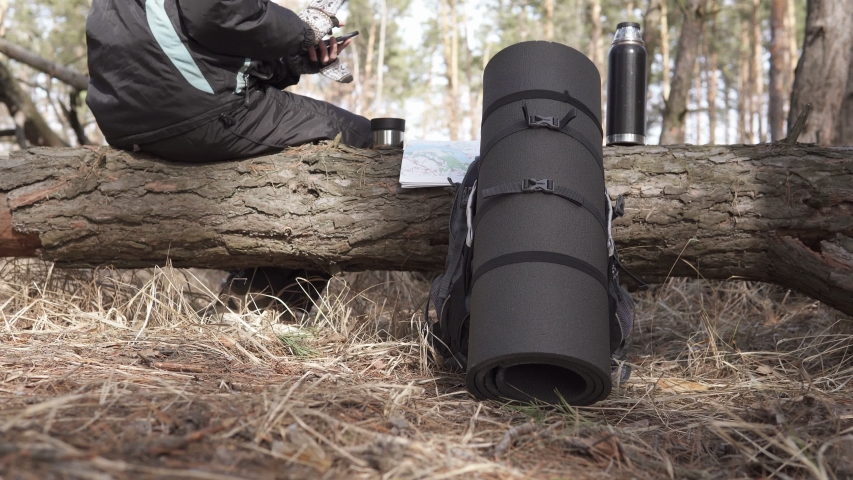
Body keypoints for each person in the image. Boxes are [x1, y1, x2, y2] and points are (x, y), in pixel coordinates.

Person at [86, 0, 372, 314]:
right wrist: (303, 32)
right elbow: (216, 11)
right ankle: (258, 312)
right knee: (362, 141)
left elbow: (191, 41)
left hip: (129, 117)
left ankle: (249, 305)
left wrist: (295, 58)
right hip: (194, 110)